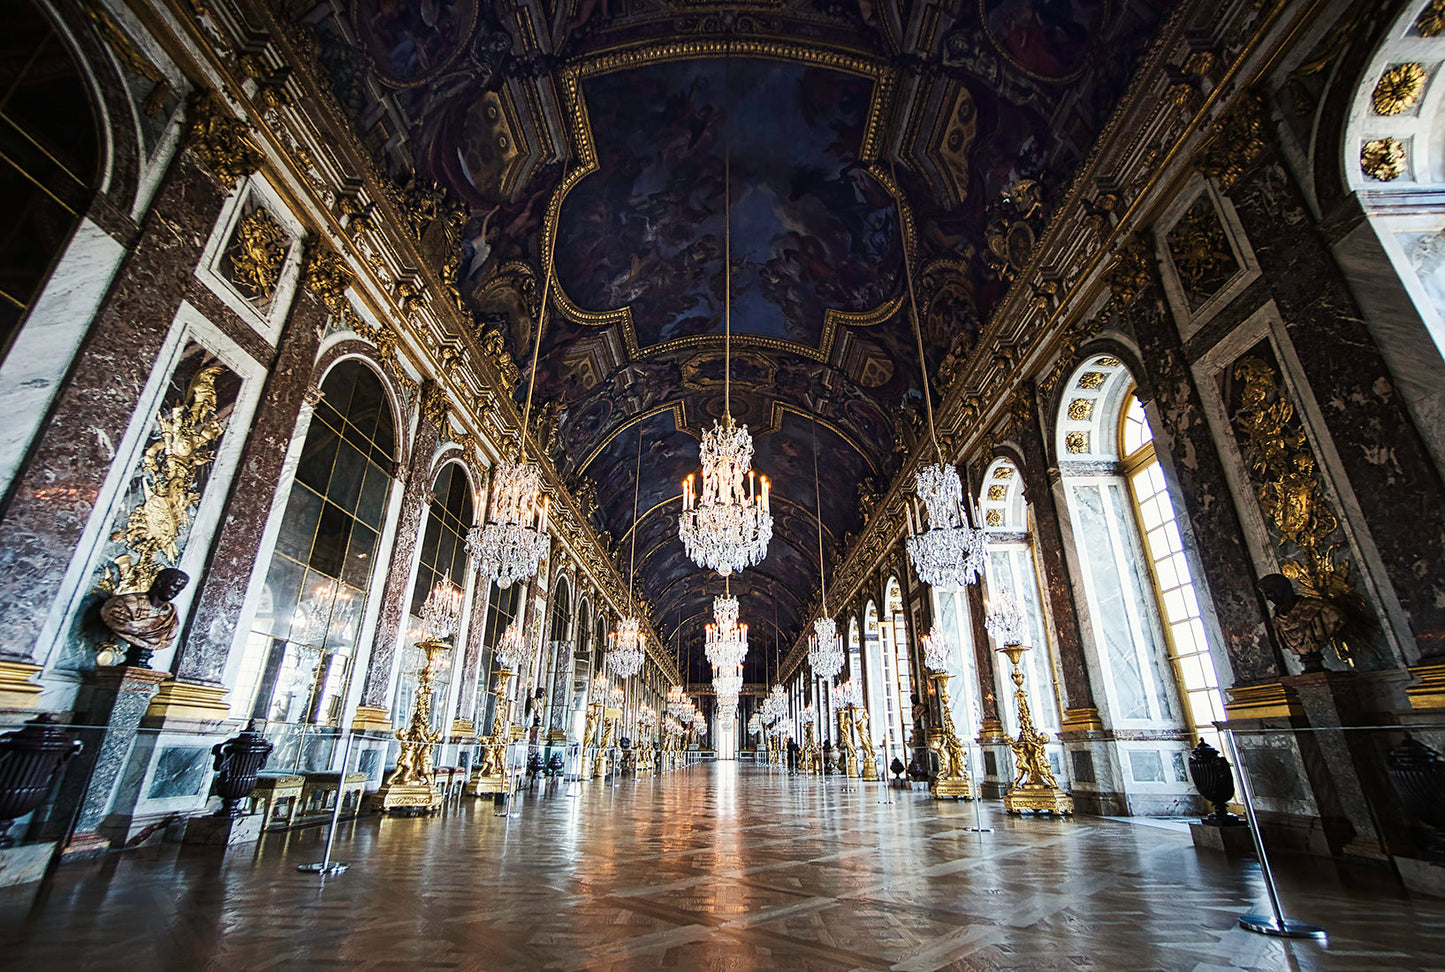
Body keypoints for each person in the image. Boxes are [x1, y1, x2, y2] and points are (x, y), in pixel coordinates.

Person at [99, 568, 189, 667]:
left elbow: (167, 639)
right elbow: (120, 622)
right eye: (175, 586)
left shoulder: (171, 616)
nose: (177, 592)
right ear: (160, 582)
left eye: (181, 588)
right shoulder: (125, 603)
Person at [1259, 573, 1344, 673]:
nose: (1268, 598)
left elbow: (1338, 618)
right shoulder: (1276, 619)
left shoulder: (1320, 609)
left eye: (1269, 592)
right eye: (1266, 594)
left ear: (1283, 589)